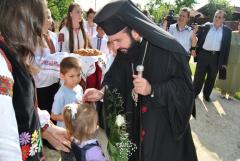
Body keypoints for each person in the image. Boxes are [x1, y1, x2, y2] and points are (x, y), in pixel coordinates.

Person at [83, 1, 197, 161]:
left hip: (162, 136)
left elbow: (185, 91)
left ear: (135, 32)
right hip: (135, 131)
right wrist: (102, 92)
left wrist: (153, 90)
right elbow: (114, 79)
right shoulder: (125, 51)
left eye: (118, 40)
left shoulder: (169, 50)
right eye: (111, 41)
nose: (114, 47)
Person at [0, 0, 70, 160]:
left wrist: (47, 128)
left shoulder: (13, 54)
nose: (42, 33)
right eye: (41, 23)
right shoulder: (2, 61)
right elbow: (4, 143)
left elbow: (21, 105)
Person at [193, 10, 232, 102]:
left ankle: (206, 95)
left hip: (216, 57)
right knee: (199, 76)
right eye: (216, 16)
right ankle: (194, 93)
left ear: (223, 19)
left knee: (211, 78)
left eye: (219, 17)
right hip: (203, 54)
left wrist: (224, 63)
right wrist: (194, 50)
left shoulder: (227, 31)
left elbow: (227, 48)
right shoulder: (206, 27)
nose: (217, 19)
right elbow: (196, 38)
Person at [51, 57, 83, 161]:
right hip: (66, 135)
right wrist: (70, 115)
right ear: (62, 76)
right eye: (71, 76)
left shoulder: (79, 88)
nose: (76, 79)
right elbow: (53, 116)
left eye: (78, 75)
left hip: (78, 131)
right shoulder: (61, 95)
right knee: (68, 157)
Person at [216, 20, 240, 99]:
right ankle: (223, 90)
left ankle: (232, 92)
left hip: (238, 61)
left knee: (236, 77)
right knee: (227, 75)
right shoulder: (231, 34)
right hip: (229, 58)